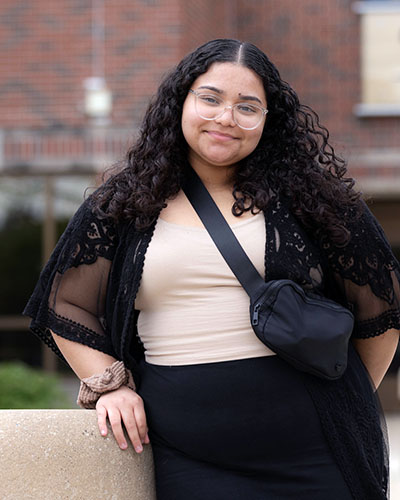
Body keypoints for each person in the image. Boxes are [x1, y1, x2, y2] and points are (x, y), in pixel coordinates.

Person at [24, 39, 400, 500]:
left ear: (268, 121)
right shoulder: (123, 202)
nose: (226, 117)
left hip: (316, 455)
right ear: (181, 102)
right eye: (211, 99)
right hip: (189, 459)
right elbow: (65, 303)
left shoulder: (316, 201)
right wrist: (109, 386)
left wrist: (346, 395)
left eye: (248, 107)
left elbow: (382, 309)